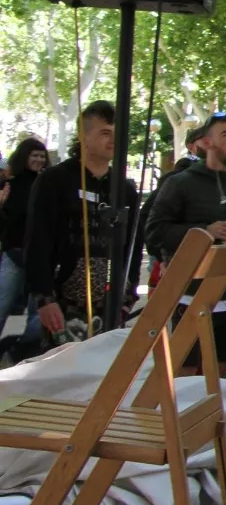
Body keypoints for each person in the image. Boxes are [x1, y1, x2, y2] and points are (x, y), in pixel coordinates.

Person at [145, 111, 226, 376]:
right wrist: (202, 232)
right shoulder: (179, 184)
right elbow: (154, 231)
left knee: (217, 383)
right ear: (206, 143)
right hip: (188, 296)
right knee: (184, 381)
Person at [19, 105, 139, 357]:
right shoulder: (54, 180)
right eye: (105, 132)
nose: (114, 139)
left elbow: (133, 246)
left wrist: (129, 294)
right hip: (64, 301)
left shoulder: (124, 188)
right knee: (61, 373)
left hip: (111, 303)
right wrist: (44, 298)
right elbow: (37, 241)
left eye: (118, 133)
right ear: (83, 136)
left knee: (105, 373)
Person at [0, 137, 48, 325]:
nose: (39, 159)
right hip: (14, 253)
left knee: (29, 313)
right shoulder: (10, 185)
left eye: (42, 156)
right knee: (3, 305)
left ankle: (14, 348)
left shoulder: (47, 184)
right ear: (24, 157)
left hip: (39, 257)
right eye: (34, 155)